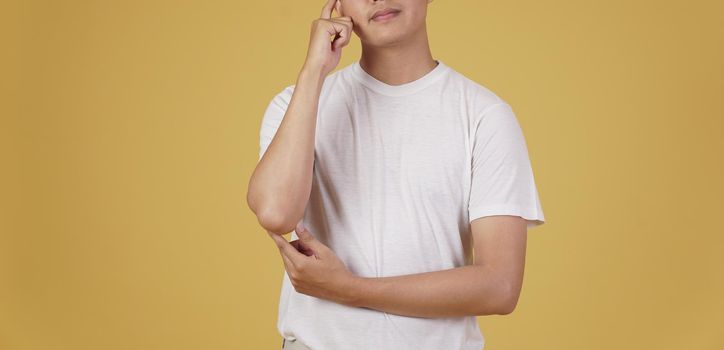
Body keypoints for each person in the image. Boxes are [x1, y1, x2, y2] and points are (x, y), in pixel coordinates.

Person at [246, 0, 546, 349]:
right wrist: (313, 73)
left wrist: (349, 289)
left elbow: (500, 287)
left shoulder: (485, 116)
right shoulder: (296, 104)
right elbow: (275, 212)